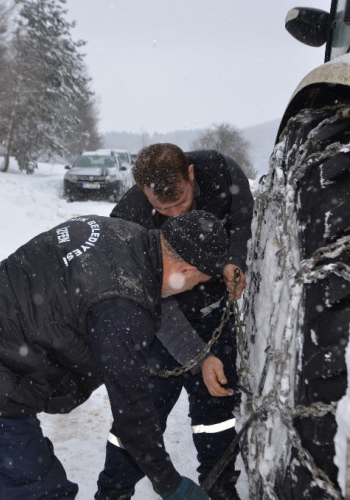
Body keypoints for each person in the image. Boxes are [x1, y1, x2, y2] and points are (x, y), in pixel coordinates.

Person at [0, 211, 229, 500]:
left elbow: (149, 300)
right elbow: (132, 411)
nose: (190, 288)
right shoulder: (122, 308)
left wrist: (199, 356)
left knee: (39, 482)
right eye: (197, 281)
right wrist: (169, 483)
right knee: (42, 495)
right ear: (186, 270)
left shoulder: (123, 235)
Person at [95, 144, 254, 500]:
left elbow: (243, 221)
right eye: (161, 207)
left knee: (216, 411)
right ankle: (113, 491)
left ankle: (220, 486)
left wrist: (233, 259)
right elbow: (153, 304)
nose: (173, 212)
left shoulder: (225, 177)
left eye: (180, 200)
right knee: (140, 417)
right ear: (143, 192)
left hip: (214, 312)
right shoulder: (128, 221)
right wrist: (197, 357)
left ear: (191, 174)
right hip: (156, 323)